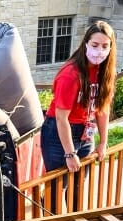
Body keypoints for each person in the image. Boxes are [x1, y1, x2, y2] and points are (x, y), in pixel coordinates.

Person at [41, 20, 116, 173]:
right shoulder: (70, 74)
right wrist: (69, 153)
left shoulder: (106, 73)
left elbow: (103, 109)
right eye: (95, 45)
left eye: (105, 46)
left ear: (111, 47)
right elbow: (61, 117)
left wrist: (103, 142)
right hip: (59, 132)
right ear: (86, 44)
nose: (99, 51)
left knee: (78, 187)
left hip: (86, 131)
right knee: (57, 188)